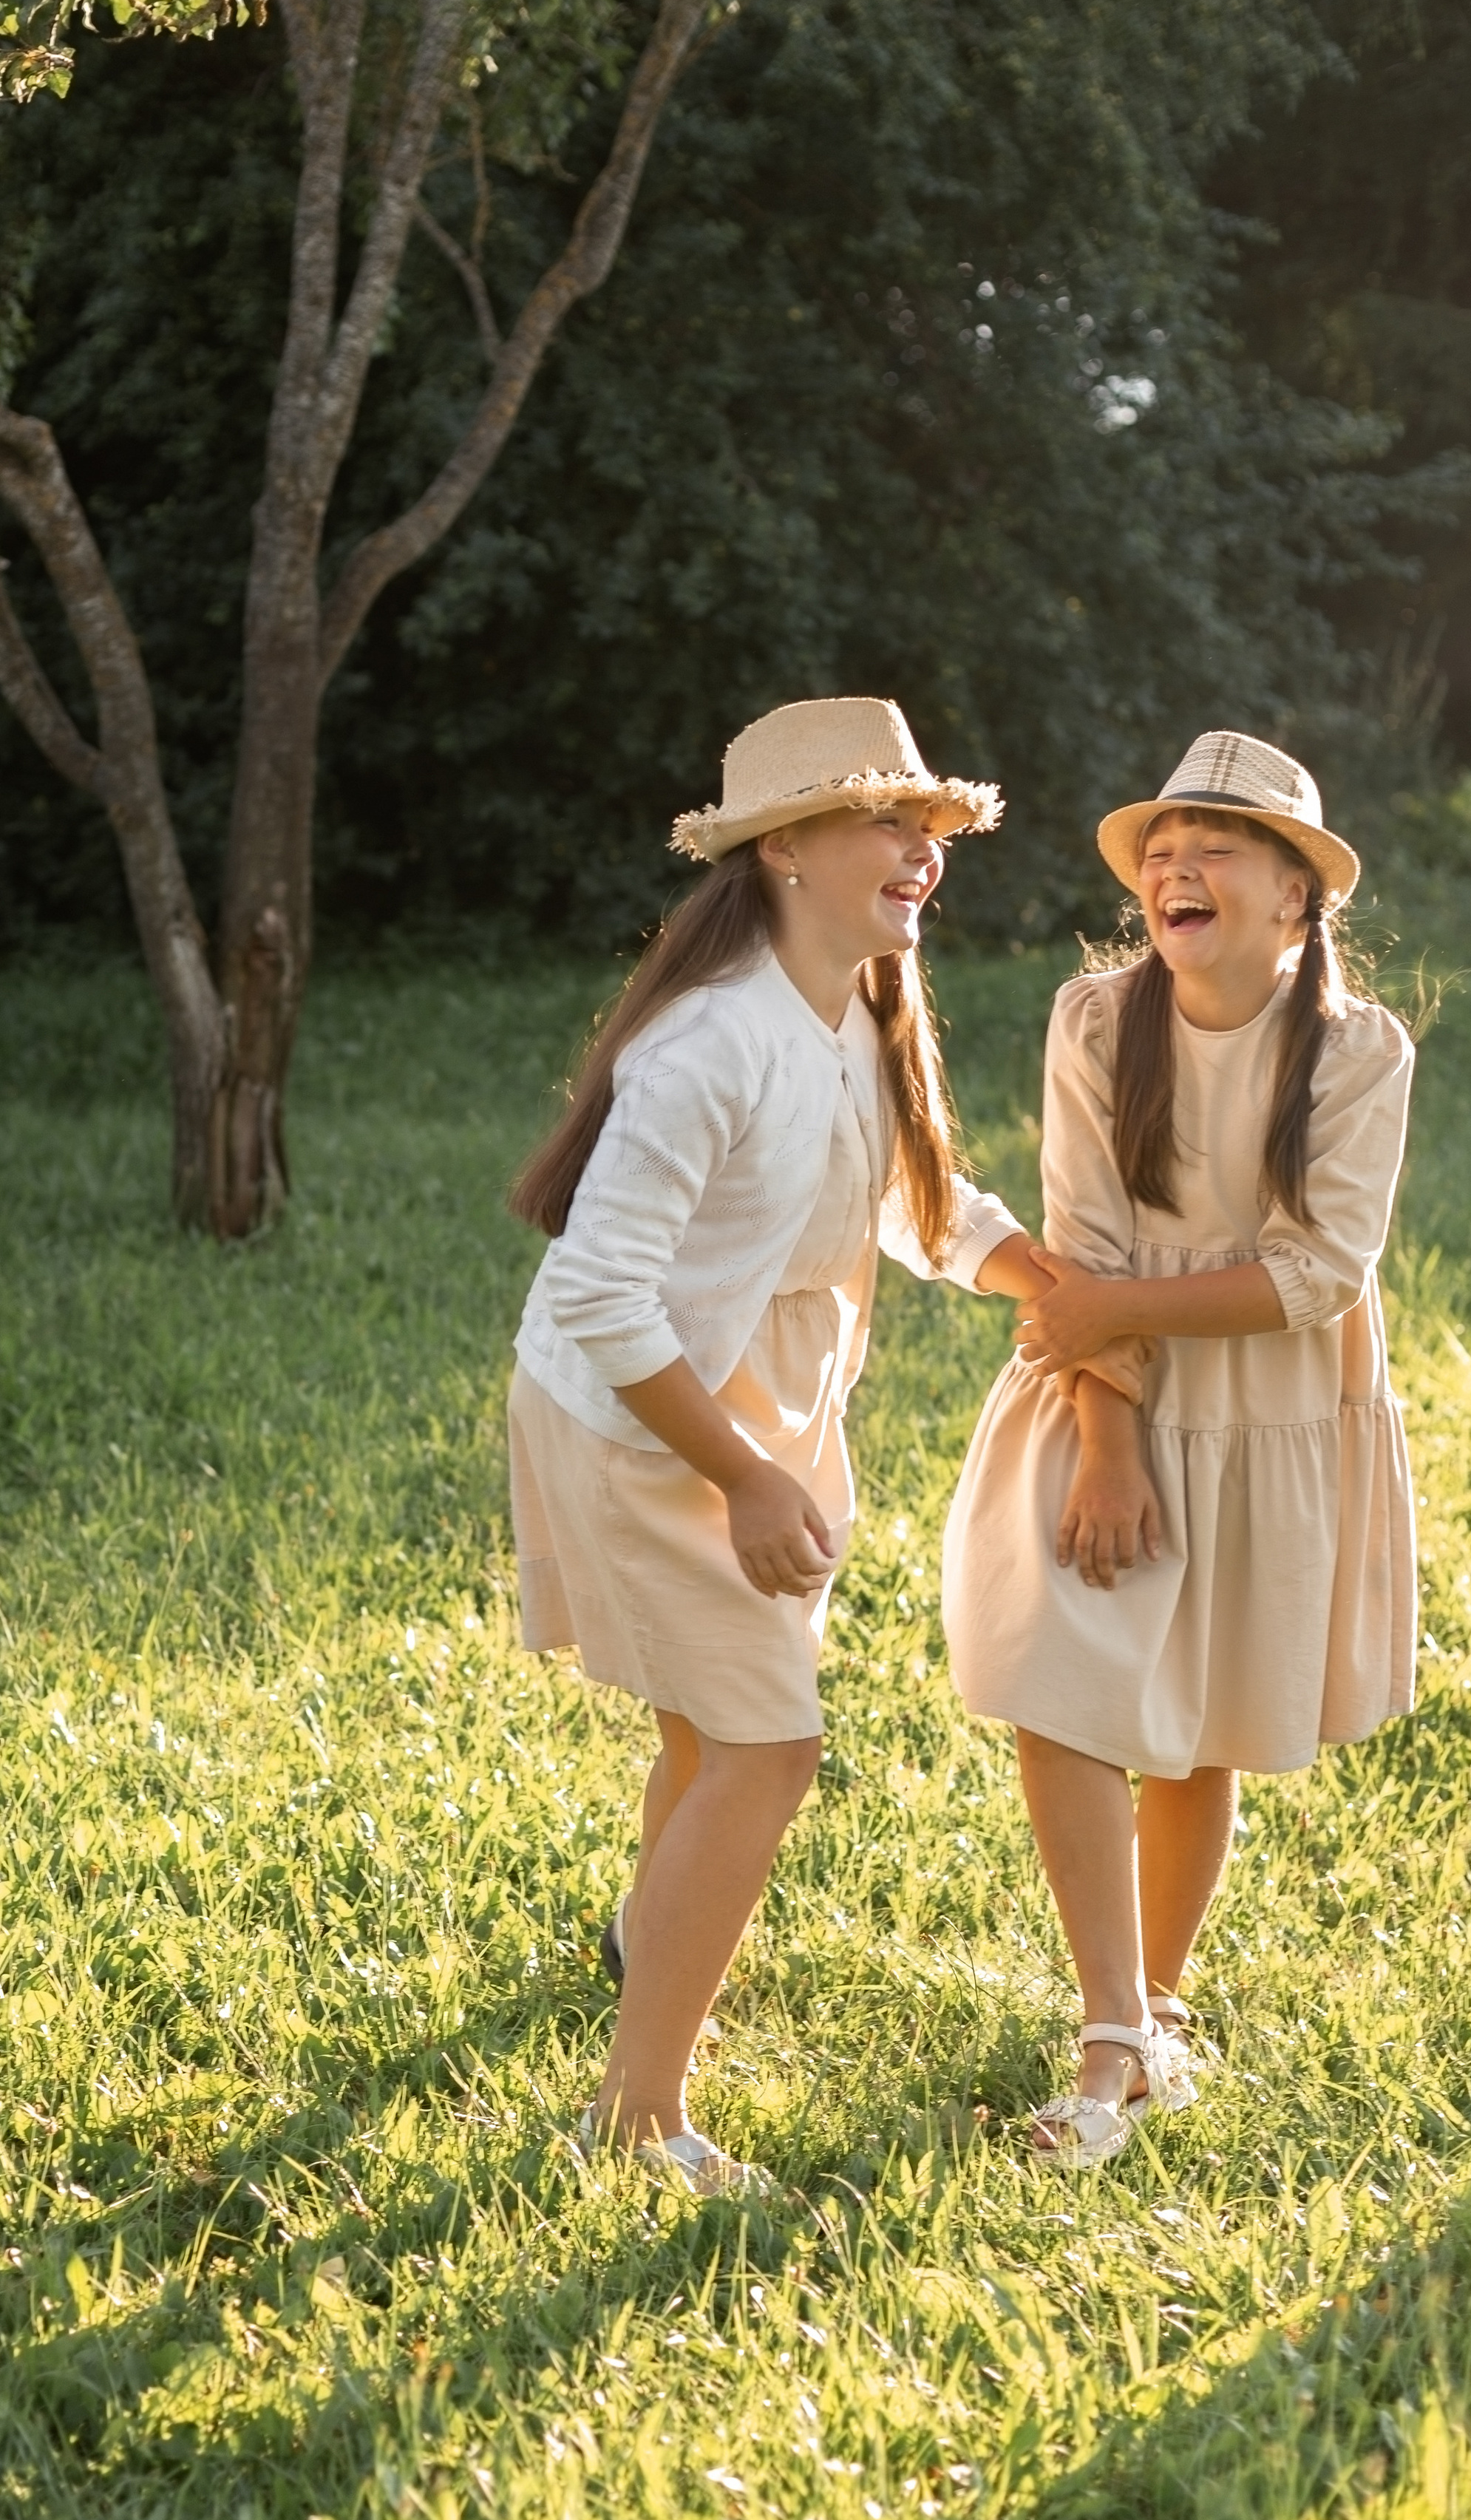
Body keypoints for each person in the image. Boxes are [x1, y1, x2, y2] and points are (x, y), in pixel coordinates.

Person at [508, 697, 1141, 2195]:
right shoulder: (708, 1040)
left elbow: (910, 1202)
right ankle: (634, 2117)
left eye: (928, 828)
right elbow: (598, 1292)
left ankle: (647, 1951)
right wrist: (739, 1472)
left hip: (756, 1406)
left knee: (707, 1735)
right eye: (883, 821)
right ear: (781, 846)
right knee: (764, 1748)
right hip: (642, 1415)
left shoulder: (856, 1003)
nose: (919, 853)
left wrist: (1055, 1289)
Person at [942, 731, 1417, 2167]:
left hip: (1267, 1405)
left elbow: (1315, 1271)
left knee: (1195, 1718)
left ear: (1295, 895)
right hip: (1109, 1396)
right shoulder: (1095, 1020)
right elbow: (1077, 1243)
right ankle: (1107, 2033)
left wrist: (1108, 1308)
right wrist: (1105, 1440)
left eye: (1215, 842)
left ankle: (1149, 2011)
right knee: (1066, 1683)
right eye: (1161, 843)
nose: (1172, 863)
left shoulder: (1353, 1046)